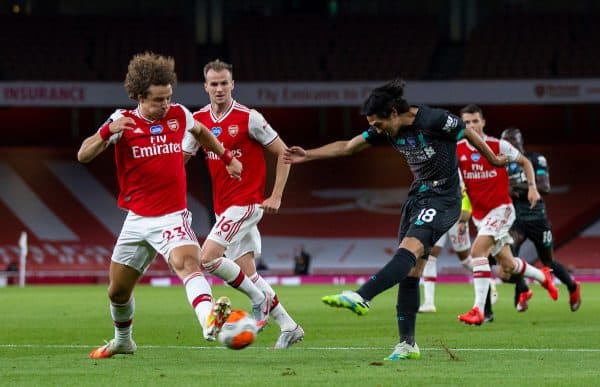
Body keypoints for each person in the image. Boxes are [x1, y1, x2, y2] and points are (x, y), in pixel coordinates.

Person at [284, 79, 505, 360]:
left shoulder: (435, 119)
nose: (376, 129)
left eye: (378, 123)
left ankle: (362, 295)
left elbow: (469, 134)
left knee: (409, 249)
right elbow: (349, 146)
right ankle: (408, 344)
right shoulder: (384, 128)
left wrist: (493, 160)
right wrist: (309, 155)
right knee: (411, 270)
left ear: (393, 113)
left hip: (445, 197)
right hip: (418, 196)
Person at [78, 52, 269, 359]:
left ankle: (209, 320)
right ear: (140, 96)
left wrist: (227, 156)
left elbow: (202, 132)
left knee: (188, 264)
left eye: (168, 98)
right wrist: (106, 132)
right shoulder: (121, 121)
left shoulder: (179, 114)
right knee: (117, 291)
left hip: (172, 216)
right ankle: (123, 340)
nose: (165, 105)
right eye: (157, 100)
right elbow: (83, 155)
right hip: (136, 219)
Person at [182, 59, 303, 349]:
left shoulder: (250, 118)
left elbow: (284, 153)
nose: (220, 88)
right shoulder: (198, 122)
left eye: (224, 83)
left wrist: (276, 196)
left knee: (208, 258)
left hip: (246, 202)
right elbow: (180, 161)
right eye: (214, 83)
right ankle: (289, 326)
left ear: (232, 84)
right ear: (206, 87)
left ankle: (258, 300)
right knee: (248, 273)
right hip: (223, 207)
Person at [456, 104, 558, 325]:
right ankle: (544, 277)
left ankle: (478, 310)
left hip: (502, 210)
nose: (471, 126)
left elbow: (525, 162)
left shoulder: (497, 145)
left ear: (483, 122)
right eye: (467, 122)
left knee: (478, 252)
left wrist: (531, 186)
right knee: (508, 265)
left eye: (475, 121)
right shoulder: (459, 150)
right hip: (480, 216)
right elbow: (457, 179)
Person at [500, 127, 581, 312]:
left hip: (537, 218)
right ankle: (523, 291)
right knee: (510, 259)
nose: (509, 145)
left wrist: (516, 187)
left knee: (548, 262)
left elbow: (544, 187)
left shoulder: (535, 159)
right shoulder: (501, 163)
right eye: (506, 141)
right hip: (515, 220)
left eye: (513, 140)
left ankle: (572, 286)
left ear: (520, 142)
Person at [419, 190, 497, 322]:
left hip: (457, 219)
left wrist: (464, 218)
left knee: (466, 261)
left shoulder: (459, 172)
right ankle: (429, 302)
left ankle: (488, 281)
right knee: (430, 256)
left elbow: (465, 195)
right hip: (439, 217)